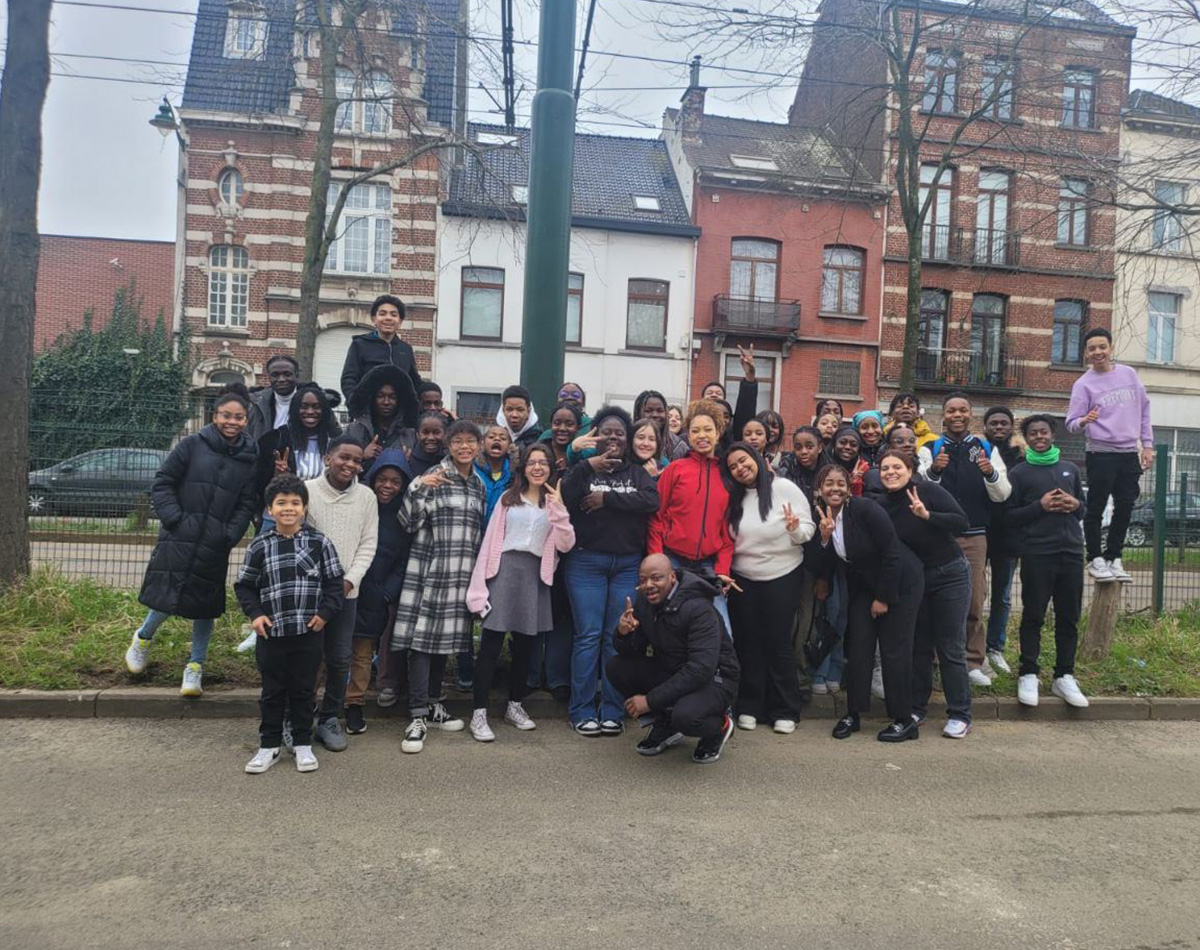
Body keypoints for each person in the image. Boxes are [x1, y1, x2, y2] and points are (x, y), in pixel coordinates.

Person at [125, 384, 259, 696]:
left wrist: (230, 533)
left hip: (215, 542)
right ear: (215, 416)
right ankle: (143, 638)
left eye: (239, 417)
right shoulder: (192, 445)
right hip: (179, 536)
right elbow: (164, 482)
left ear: (246, 420)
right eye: (226, 415)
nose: (232, 422)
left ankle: (195, 666)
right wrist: (173, 518)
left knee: (205, 605)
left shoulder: (250, 456)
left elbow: (247, 501)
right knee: (167, 595)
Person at [560, 406, 660, 737]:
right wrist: (587, 465)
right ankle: (581, 709)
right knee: (588, 636)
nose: (613, 437)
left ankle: (613, 711)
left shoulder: (638, 473)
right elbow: (565, 496)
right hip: (586, 562)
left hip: (627, 565)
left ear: (628, 439)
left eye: (619, 432)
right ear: (595, 437)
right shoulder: (583, 469)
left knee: (615, 638)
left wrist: (607, 499)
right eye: (606, 432)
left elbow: (651, 501)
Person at [466, 443, 576, 741]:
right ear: (523, 467)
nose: (537, 468)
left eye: (543, 463)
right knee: (490, 646)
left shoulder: (553, 503)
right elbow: (489, 543)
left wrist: (559, 510)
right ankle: (479, 713)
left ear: (551, 468)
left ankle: (514, 705)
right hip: (504, 572)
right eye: (531, 462)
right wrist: (479, 587)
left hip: (535, 575)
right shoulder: (508, 499)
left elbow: (566, 544)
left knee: (526, 648)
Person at [237, 474, 345, 774]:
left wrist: (324, 614)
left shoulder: (319, 542)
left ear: (304, 508)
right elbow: (244, 586)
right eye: (281, 503)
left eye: (295, 503)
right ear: (269, 509)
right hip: (271, 634)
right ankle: (268, 745)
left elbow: (335, 584)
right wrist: (255, 614)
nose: (288, 508)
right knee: (272, 692)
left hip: (308, 633)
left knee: (303, 691)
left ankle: (302, 743)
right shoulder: (260, 545)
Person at [810, 465, 925, 742]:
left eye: (840, 483)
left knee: (893, 650)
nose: (835, 489)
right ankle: (854, 714)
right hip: (864, 586)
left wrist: (883, 598)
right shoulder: (823, 517)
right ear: (819, 490)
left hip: (900, 582)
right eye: (828, 484)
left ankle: (904, 719)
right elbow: (823, 561)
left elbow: (892, 553)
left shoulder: (866, 510)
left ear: (849, 489)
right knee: (859, 648)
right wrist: (824, 538)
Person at [392, 420, 486, 754]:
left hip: (461, 575)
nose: (464, 447)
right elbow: (407, 522)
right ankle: (417, 714)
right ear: (448, 444)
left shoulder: (478, 484)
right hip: (430, 571)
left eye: (470, 441)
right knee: (421, 640)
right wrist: (417, 486)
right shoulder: (433, 476)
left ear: (478, 446)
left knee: (445, 641)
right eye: (458, 441)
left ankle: (433, 703)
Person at [876, 450, 973, 738]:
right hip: (915, 582)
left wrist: (927, 515)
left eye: (897, 467)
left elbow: (962, 522)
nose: (891, 472)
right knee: (919, 645)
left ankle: (960, 713)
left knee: (949, 646)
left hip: (949, 574)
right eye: (885, 468)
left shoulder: (928, 491)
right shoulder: (882, 505)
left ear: (910, 470)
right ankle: (917, 707)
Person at [607, 555, 739, 764]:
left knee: (686, 716)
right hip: (674, 669)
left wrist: (650, 701)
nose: (649, 585)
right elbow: (633, 651)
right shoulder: (645, 602)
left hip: (715, 679)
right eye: (643, 580)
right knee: (616, 667)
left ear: (672, 577)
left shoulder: (698, 608)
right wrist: (624, 633)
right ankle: (666, 724)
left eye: (656, 578)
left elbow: (700, 669)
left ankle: (718, 728)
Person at [723, 443, 814, 733]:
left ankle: (785, 708)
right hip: (742, 578)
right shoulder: (733, 497)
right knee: (748, 642)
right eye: (733, 466)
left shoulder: (784, 488)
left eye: (743, 461)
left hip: (782, 573)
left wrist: (794, 529)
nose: (740, 468)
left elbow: (807, 531)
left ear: (757, 459)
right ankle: (750, 705)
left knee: (778, 643)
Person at [925, 392, 1011, 685]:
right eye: (951, 410)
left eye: (963, 410)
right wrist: (935, 470)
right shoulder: (930, 448)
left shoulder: (985, 448)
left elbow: (1003, 494)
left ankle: (973, 661)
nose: (957, 415)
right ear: (943, 415)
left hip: (975, 536)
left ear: (970, 414)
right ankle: (935, 658)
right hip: (939, 536)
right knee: (937, 600)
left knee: (974, 600)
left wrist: (990, 474)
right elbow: (921, 490)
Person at [1007, 415, 1090, 708]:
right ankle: (1028, 672)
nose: (1039, 437)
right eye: (1033, 433)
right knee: (1034, 615)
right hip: (1037, 553)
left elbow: (1083, 510)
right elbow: (1009, 516)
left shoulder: (1070, 469)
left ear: (1052, 435)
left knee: (1069, 617)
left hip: (1072, 552)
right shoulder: (1019, 473)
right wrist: (1039, 506)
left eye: (1043, 432)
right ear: (1026, 438)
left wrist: (1075, 504)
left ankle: (1064, 675)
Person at [302, 434, 378, 751]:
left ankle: (330, 718)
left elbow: (368, 543)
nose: (350, 464)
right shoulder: (307, 491)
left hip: (347, 593)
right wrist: (317, 584)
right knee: (307, 658)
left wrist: (349, 582)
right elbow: (298, 539)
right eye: (344, 457)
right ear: (327, 458)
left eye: (357, 460)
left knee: (339, 658)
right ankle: (300, 718)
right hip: (309, 593)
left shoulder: (366, 497)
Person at [1066, 327, 1154, 584]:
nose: (1098, 352)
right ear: (1086, 353)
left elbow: (1144, 410)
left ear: (1111, 348)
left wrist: (1147, 445)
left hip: (1129, 452)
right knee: (1096, 506)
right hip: (1101, 452)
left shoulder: (1129, 374)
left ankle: (1114, 556)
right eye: (1092, 348)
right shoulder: (1083, 384)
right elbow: (1071, 423)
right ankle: (1095, 558)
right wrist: (1084, 420)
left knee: (1125, 506)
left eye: (1102, 347)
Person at [647, 399, 736, 636]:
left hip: (708, 567)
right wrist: (658, 559)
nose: (701, 436)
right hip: (673, 561)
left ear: (718, 432)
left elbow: (727, 531)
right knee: (670, 630)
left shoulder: (726, 475)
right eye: (695, 431)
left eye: (708, 429)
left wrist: (723, 569)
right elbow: (657, 518)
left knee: (722, 632)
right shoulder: (675, 469)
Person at [345, 450, 413, 732]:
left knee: (362, 655)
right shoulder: (358, 504)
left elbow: (403, 561)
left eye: (395, 481)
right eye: (382, 479)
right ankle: (315, 703)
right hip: (345, 588)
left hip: (376, 595)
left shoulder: (403, 517)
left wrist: (387, 593)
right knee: (328, 652)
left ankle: (354, 704)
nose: (387, 486)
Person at [254, 383, 341, 521]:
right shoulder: (275, 440)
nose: (310, 411)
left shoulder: (334, 443)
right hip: (280, 518)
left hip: (320, 518)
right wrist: (277, 477)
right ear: (295, 409)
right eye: (304, 406)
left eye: (316, 407)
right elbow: (258, 484)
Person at [983, 406, 1023, 674]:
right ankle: (972, 647)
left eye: (1003, 423)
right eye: (993, 423)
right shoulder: (979, 452)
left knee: (1002, 596)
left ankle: (995, 647)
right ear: (985, 427)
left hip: (1009, 535)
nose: (999, 427)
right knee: (973, 595)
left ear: (1011, 426)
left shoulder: (1022, 456)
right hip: (979, 531)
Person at [340, 294, 422, 405]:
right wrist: (356, 404)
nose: (388, 318)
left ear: (400, 322)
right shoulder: (359, 345)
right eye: (382, 314)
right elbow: (349, 379)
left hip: (399, 411)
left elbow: (415, 382)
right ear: (374, 319)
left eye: (393, 315)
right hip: (368, 409)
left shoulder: (405, 349)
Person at [344, 364, 420, 466]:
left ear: (399, 401)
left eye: (392, 397)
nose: (386, 402)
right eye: (380, 396)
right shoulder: (355, 430)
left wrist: (405, 464)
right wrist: (362, 456)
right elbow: (341, 465)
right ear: (372, 398)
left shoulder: (410, 434)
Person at [248, 354, 300, 441]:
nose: (281, 379)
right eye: (275, 375)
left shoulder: (312, 404)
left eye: (287, 374)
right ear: (269, 377)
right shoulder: (255, 405)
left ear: (296, 375)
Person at [634, 390, 688, 462]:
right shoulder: (627, 443)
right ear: (638, 414)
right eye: (648, 411)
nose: (655, 415)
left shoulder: (679, 447)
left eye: (660, 411)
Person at [475, 424, 514, 521]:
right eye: (491, 437)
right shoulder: (472, 470)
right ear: (483, 443)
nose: (497, 439)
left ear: (509, 446)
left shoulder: (514, 475)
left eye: (503, 438)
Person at [408, 410, 448, 478]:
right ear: (417, 435)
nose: (430, 438)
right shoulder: (408, 460)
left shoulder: (451, 460)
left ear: (445, 434)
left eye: (436, 432)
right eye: (425, 432)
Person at [546, 401, 582, 474]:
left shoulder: (584, 453)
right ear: (551, 425)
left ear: (578, 427)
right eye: (557, 423)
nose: (562, 428)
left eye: (569, 424)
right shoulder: (539, 451)